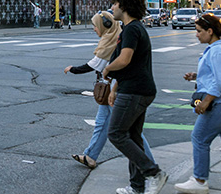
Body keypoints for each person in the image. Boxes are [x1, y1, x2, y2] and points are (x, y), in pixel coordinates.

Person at [64, 11, 155, 169]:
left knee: (129, 131)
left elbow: (95, 64)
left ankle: (149, 165)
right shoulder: (114, 37)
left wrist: (73, 69)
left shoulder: (114, 40)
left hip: (116, 90)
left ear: (105, 25)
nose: (94, 29)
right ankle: (91, 156)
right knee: (102, 123)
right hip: (112, 89)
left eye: (95, 26)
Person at [102, 0, 167, 194]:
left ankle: (153, 173)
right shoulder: (134, 28)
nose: (112, 8)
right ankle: (137, 187)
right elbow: (133, 66)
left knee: (116, 134)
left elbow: (125, 60)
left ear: (123, 5)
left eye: (114, 4)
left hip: (135, 91)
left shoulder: (131, 30)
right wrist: (114, 89)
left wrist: (108, 69)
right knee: (133, 136)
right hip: (137, 88)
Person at [174, 13, 221, 194]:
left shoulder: (217, 51)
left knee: (199, 138)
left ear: (210, 31)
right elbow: (218, 75)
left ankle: (199, 180)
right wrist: (197, 76)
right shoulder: (218, 50)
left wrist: (205, 102)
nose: (196, 35)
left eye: (199, 31)